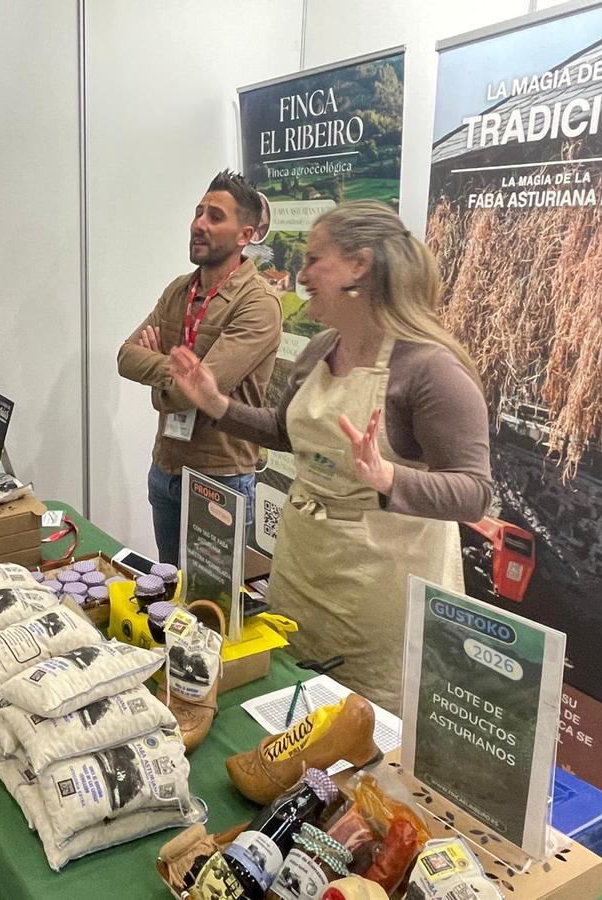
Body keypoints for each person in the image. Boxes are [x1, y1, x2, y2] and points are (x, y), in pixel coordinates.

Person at [168, 200, 492, 713]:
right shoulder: (320, 350)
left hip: (379, 596)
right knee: (291, 706)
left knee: (363, 733)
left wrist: (389, 478)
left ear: (358, 266)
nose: (301, 275)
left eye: (315, 259)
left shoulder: (431, 371)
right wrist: (215, 404)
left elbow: (475, 494)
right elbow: (283, 430)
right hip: (303, 569)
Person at [117, 169, 282, 564]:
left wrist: (160, 379)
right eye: (198, 212)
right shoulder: (178, 290)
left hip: (220, 481)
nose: (199, 224)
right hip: (166, 471)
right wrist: (175, 376)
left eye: (215, 216)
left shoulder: (258, 304)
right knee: (168, 599)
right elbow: (125, 356)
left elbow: (200, 391)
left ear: (246, 235)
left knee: (211, 612)